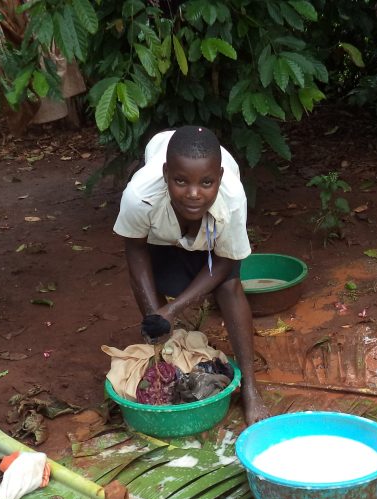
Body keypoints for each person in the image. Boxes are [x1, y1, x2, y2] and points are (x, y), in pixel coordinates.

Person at [112, 125, 267, 424]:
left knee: (230, 287)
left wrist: (175, 307)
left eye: (206, 183)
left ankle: (250, 388)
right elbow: (135, 250)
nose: (194, 194)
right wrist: (157, 316)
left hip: (213, 242)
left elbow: (224, 261)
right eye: (181, 181)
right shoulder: (140, 196)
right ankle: (165, 355)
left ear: (219, 179)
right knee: (153, 293)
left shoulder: (232, 198)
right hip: (161, 233)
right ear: (166, 173)